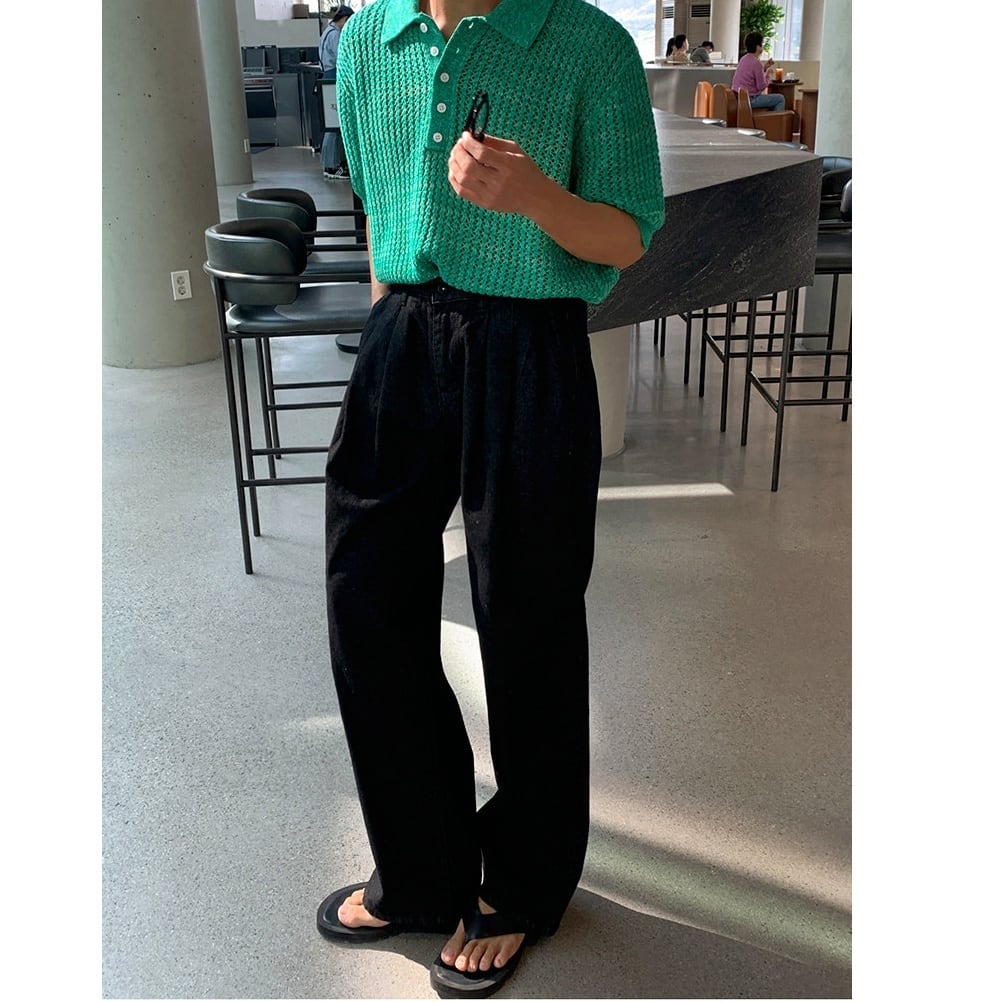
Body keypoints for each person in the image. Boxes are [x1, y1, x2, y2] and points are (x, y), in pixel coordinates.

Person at [315, 0, 665, 997]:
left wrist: (536, 197)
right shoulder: (370, 41)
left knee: (528, 616)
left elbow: (628, 236)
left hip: (530, 346)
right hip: (401, 336)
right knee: (365, 598)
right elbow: (380, 207)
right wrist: (386, 337)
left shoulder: (588, 44)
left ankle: (521, 883)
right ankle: (421, 869)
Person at [318, 5, 354, 180]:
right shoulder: (336, 35)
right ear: (345, 19)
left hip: (328, 76)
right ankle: (332, 166)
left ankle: (332, 163)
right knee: (336, 124)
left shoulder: (326, 32)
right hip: (334, 78)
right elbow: (344, 58)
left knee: (332, 123)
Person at [731, 31, 785, 110]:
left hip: (739, 98)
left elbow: (751, 74)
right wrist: (769, 76)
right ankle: (775, 118)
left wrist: (764, 68)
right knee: (780, 98)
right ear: (758, 47)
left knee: (772, 99)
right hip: (750, 99)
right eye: (761, 44)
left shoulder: (743, 59)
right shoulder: (756, 62)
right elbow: (761, 86)